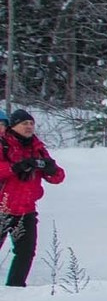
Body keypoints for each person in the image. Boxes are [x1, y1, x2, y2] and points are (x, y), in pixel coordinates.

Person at [0, 107, 65, 288]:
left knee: (26, 252)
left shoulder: (37, 148)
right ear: (13, 126)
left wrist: (51, 169)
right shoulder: (3, 144)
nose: (29, 127)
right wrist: (16, 167)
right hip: (2, 208)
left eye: (31, 123)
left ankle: (15, 289)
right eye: (24, 123)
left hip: (26, 210)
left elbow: (58, 177)